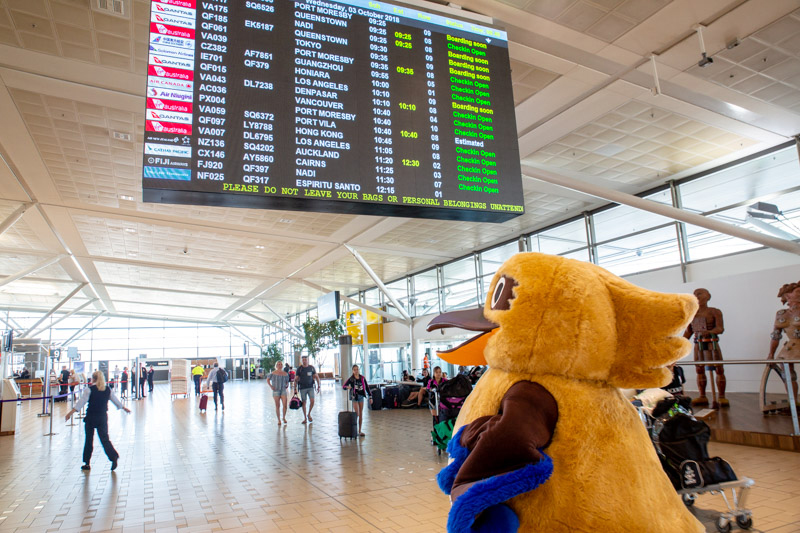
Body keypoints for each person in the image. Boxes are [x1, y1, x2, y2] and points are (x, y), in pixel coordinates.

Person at [65, 370, 131, 471]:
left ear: (94, 379)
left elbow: (81, 403)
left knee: (88, 440)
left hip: (91, 417)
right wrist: (124, 408)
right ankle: (113, 456)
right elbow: (116, 401)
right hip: (102, 417)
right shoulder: (107, 389)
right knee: (105, 439)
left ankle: (87, 463)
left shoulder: (89, 390)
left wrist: (70, 413)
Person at [683, 288, 727, 408]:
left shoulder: (714, 312)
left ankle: (721, 396)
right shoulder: (692, 314)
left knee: (719, 369)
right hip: (698, 343)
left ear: (707, 296)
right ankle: (702, 395)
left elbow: (720, 328)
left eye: (700, 294)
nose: (697, 297)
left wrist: (709, 331)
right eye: (695, 295)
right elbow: (688, 332)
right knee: (699, 369)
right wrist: (680, 343)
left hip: (712, 342)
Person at [768, 281, 800, 404]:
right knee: (788, 375)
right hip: (790, 348)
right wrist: (771, 354)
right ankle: (794, 402)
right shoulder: (782, 314)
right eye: (796, 292)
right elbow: (776, 335)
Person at [343, 364, 372, 437]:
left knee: (361, 414)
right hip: (354, 397)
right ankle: (354, 429)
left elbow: (367, 387)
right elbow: (344, 386)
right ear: (352, 371)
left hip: (361, 396)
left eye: (357, 369)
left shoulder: (362, 378)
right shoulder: (351, 379)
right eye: (354, 370)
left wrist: (370, 396)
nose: (356, 371)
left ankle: (359, 430)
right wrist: (347, 387)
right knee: (357, 413)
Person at [293, 355, 320, 424]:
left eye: (305, 359)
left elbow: (316, 376)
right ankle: (305, 417)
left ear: (308, 360)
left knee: (312, 401)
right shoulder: (299, 369)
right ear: (302, 361)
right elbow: (296, 379)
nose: (304, 361)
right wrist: (295, 388)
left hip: (310, 387)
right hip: (302, 388)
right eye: (303, 360)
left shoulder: (311, 368)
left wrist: (319, 385)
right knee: (304, 402)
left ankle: (309, 413)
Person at [267, 361, 289, 425]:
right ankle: (278, 419)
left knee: (285, 404)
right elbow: (268, 379)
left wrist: (286, 384)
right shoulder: (273, 373)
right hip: (276, 390)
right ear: (276, 366)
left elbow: (287, 381)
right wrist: (271, 386)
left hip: (283, 390)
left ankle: (284, 417)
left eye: (281, 364)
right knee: (277, 405)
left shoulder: (285, 373)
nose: (279, 365)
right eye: (278, 364)